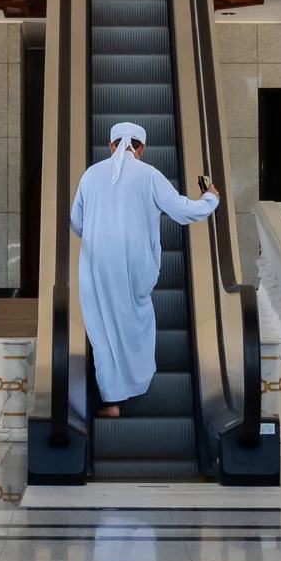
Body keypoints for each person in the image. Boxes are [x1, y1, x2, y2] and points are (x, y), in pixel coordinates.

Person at [71, 121, 220, 417]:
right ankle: (139, 381)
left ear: (111, 146)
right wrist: (210, 198)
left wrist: (99, 236)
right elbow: (183, 210)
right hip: (136, 265)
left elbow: (76, 222)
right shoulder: (150, 175)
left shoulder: (90, 175)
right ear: (141, 149)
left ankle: (111, 400)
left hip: (97, 263)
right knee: (136, 321)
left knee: (102, 330)